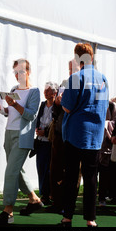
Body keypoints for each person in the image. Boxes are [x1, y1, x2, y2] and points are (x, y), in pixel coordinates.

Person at [59, 43, 109, 227]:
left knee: (71, 178)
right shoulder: (102, 78)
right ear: (91, 57)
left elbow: (67, 106)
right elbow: (103, 107)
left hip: (75, 134)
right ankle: (91, 219)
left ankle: (67, 218)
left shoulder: (75, 77)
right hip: (95, 135)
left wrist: (62, 101)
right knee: (90, 179)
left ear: (77, 58)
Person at [0, 59, 41, 226]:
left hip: (23, 136)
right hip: (9, 134)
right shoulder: (13, 89)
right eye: (15, 72)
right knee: (17, 170)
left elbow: (31, 115)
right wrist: (2, 109)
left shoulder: (34, 91)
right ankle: (33, 199)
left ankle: (8, 211)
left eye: (20, 71)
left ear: (28, 72)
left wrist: (14, 104)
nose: (17, 75)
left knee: (11, 171)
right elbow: (10, 112)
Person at [46, 59, 80, 214]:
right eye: (69, 68)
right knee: (55, 169)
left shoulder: (83, 84)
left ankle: (68, 204)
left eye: (73, 68)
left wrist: (64, 101)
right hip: (60, 133)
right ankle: (57, 201)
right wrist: (57, 102)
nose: (70, 70)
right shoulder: (64, 83)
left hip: (74, 135)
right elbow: (55, 107)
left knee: (71, 172)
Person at [34, 81, 58, 205]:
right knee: (41, 167)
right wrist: (37, 129)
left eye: (48, 90)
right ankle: (44, 194)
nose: (45, 92)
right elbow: (38, 118)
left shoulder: (57, 105)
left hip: (51, 142)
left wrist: (46, 131)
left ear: (54, 93)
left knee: (50, 169)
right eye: (45, 90)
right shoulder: (43, 105)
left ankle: (51, 193)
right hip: (41, 141)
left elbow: (57, 122)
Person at [98, 99, 116, 206]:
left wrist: (105, 124)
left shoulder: (111, 106)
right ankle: (95, 198)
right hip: (94, 146)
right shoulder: (90, 103)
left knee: (105, 174)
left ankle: (104, 197)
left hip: (107, 147)